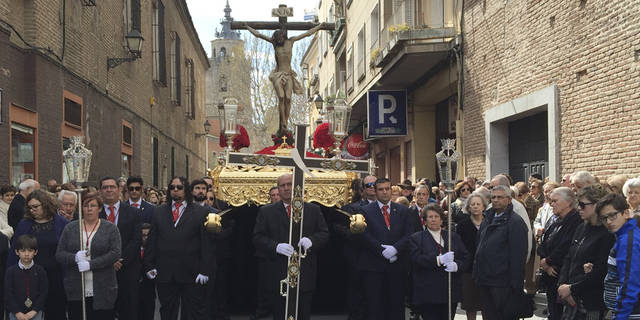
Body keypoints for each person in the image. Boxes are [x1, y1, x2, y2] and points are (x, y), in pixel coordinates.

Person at [253, 173, 329, 320]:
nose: (287, 188)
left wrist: (312, 241)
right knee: (280, 315)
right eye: (283, 185)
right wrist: (276, 246)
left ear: (297, 187)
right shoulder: (266, 211)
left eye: (290, 184)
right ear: (278, 189)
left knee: (303, 314)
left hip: (304, 273)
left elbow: (324, 233)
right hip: (278, 272)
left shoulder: (313, 210)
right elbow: (257, 237)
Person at [143, 177, 212, 320]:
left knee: (192, 312)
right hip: (165, 273)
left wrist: (205, 270)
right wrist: (149, 265)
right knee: (167, 311)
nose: (175, 190)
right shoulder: (159, 211)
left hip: (191, 273)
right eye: (172, 187)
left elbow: (206, 243)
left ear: (186, 189)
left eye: (179, 187)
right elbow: (152, 241)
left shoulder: (200, 212)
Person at [245, 23, 324, 131]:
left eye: (280, 38)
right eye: (277, 39)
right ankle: (283, 122)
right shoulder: (275, 44)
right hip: (278, 75)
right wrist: (247, 27)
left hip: (288, 74)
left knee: (288, 98)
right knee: (281, 97)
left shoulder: (291, 41)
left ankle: (285, 121)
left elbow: (307, 34)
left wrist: (318, 27)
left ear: (283, 36)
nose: (278, 41)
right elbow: (259, 35)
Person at [354, 178, 414, 320]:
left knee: (396, 306)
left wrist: (395, 249)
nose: (385, 192)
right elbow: (364, 235)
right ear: (375, 191)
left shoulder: (403, 210)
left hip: (397, 267)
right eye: (381, 189)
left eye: (387, 188)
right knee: (375, 307)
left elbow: (410, 234)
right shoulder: (364, 211)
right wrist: (381, 250)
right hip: (374, 268)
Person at [56, 193, 121, 320]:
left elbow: (115, 253)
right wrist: (74, 257)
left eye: (93, 206)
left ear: (100, 208)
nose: (89, 209)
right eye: (86, 206)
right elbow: (59, 254)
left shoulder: (110, 228)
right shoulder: (70, 228)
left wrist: (91, 264)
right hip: (76, 287)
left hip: (103, 288)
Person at [556, 184, 615, 320]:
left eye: (582, 205)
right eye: (578, 204)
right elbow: (569, 257)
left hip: (591, 302)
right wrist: (563, 285)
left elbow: (601, 271)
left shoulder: (607, 234)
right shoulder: (581, 228)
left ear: (597, 205)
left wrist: (572, 289)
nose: (578, 208)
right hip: (570, 298)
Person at [9, 190, 69, 319]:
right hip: (30, 277)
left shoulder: (62, 223)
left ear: (46, 204)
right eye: (29, 207)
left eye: (35, 206)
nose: (32, 210)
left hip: (55, 277)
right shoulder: (24, 225)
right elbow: (15, 251)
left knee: (55, 312)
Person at [473, 185, 528, 320]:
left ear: (509, 200)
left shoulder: (515, 222)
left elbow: (518, 256)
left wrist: (516, 286)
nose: (496, 200)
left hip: (502, 283)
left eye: (500, 197)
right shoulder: (487, 217)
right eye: (493, 197)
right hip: (485, 279)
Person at [408, 203, 469, 320]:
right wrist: (438, 260)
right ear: (425, 220)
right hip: (428, 292)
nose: (433, 220)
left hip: (449, 292)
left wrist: (457, 266)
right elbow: (416, 259)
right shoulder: (416, 238)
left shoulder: (453, 237)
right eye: (430, 217)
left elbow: (465, 257)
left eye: (436, 216)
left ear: (441, 219)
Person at [98, 177, 142, 320]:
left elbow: (136, 241)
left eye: (112, 187)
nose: (109, 190)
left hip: (127, 270)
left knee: (128, 310)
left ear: (119, 190)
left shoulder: (133, 213)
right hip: (102, 271)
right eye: (105, 187)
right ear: (100, 191)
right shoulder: (94, 213)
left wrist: (119, 260)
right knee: (104, 312)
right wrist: (108, 261)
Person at [537, 187, 582, 320]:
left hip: (563, 273)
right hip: (549, 272)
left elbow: (566, 246)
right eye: (551, 201)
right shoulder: (553, 219)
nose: (551, 204)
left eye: (555, 201)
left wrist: (549, 261)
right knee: (553, 310)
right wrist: (545, 263)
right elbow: (544, 241)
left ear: (568, 202)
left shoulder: (575, 220)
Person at [596, 193, 640, 320]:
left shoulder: (628, 240)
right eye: (604, 218)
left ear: (626, 213)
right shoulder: (624, 236)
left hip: (631, 313)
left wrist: (621, 315)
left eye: (612, 215)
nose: (608, 222)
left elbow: (630, 281)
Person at [457, 193, 487, 320]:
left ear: (483, 206)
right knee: (470, 306)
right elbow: (459, 247)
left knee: (487, 305)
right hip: (469, 270)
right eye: (472, 204)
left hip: (487, 270)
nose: (475, 207)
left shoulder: (490, 223)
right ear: (468, 207)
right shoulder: (463, 225)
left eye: (478, 204)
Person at [489, 174, 533, 260]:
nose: (490, 190)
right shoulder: (490, 208)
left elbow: (526, 237)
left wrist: (523, 261)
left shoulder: (517, 208)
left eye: (493, 187)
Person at [5, 234, 48, 320]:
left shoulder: (40, 271)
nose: (26, 254)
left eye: (30, 250)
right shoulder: (11, 272)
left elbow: (44, 293)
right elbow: (8, 294)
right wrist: (17, 312)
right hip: (16, 314)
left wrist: (34, 311)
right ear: (17, 252)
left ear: (35, 252)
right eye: (23, 251)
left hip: (36, 313)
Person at [138, 223, 155, 320]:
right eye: (143, 235)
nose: (146, 238)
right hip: (135, 290)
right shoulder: (134, 250)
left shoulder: (155, 251)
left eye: (148, 235)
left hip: (149, 290)